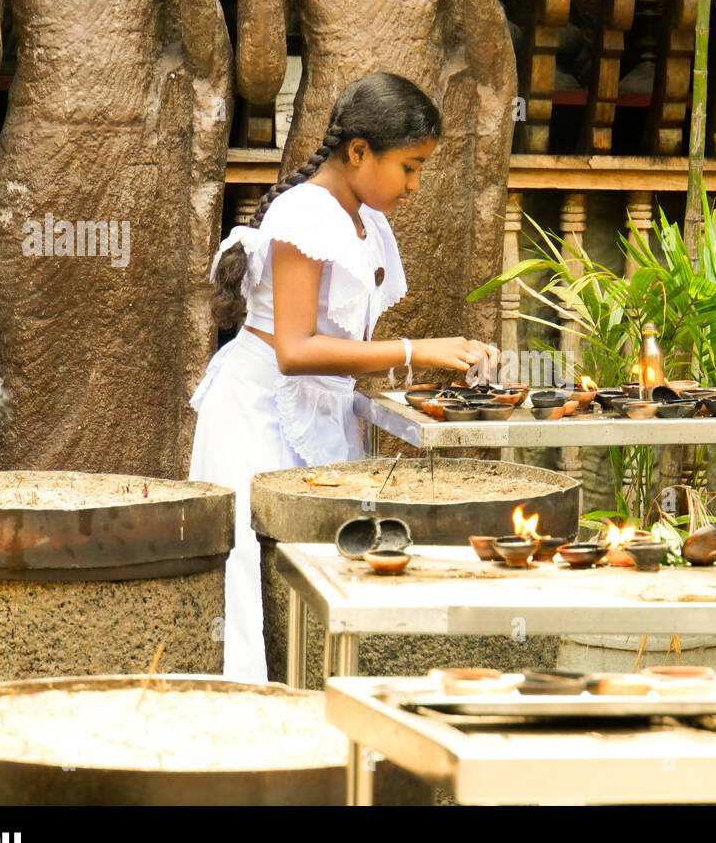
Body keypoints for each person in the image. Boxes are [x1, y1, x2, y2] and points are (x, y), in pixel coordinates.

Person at [189, 72, 497, 682]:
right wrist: (417, 349)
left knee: (316, 576)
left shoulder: (364, 218)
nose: (414, 185)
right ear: (358, 152)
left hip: (316, 418)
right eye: (408, 167)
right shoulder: (306, 215)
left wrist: (418, 375)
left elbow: (342, 348)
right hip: (261, 418)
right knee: (255, 584)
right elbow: (296, 351)